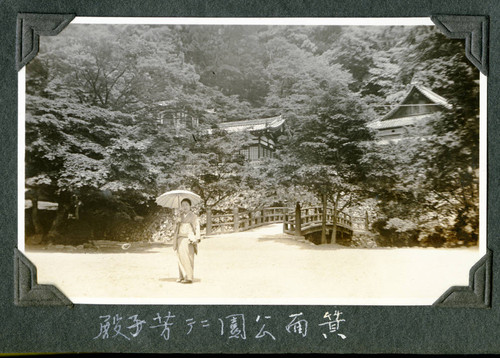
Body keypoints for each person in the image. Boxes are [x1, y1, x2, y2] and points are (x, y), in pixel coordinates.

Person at [172, 198, 200, 284]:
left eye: (186, 205)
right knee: (181, 257)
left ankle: (189, 277)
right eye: (183, 205)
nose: (184, 207)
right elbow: (174, 229)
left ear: (190, 206)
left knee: (189, 257)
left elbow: (197, 227)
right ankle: (181, 276)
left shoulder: (194, 217)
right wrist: (177, 222)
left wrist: (197, 238)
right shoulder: (179, 217)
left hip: (189, 239)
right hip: (180, 238)